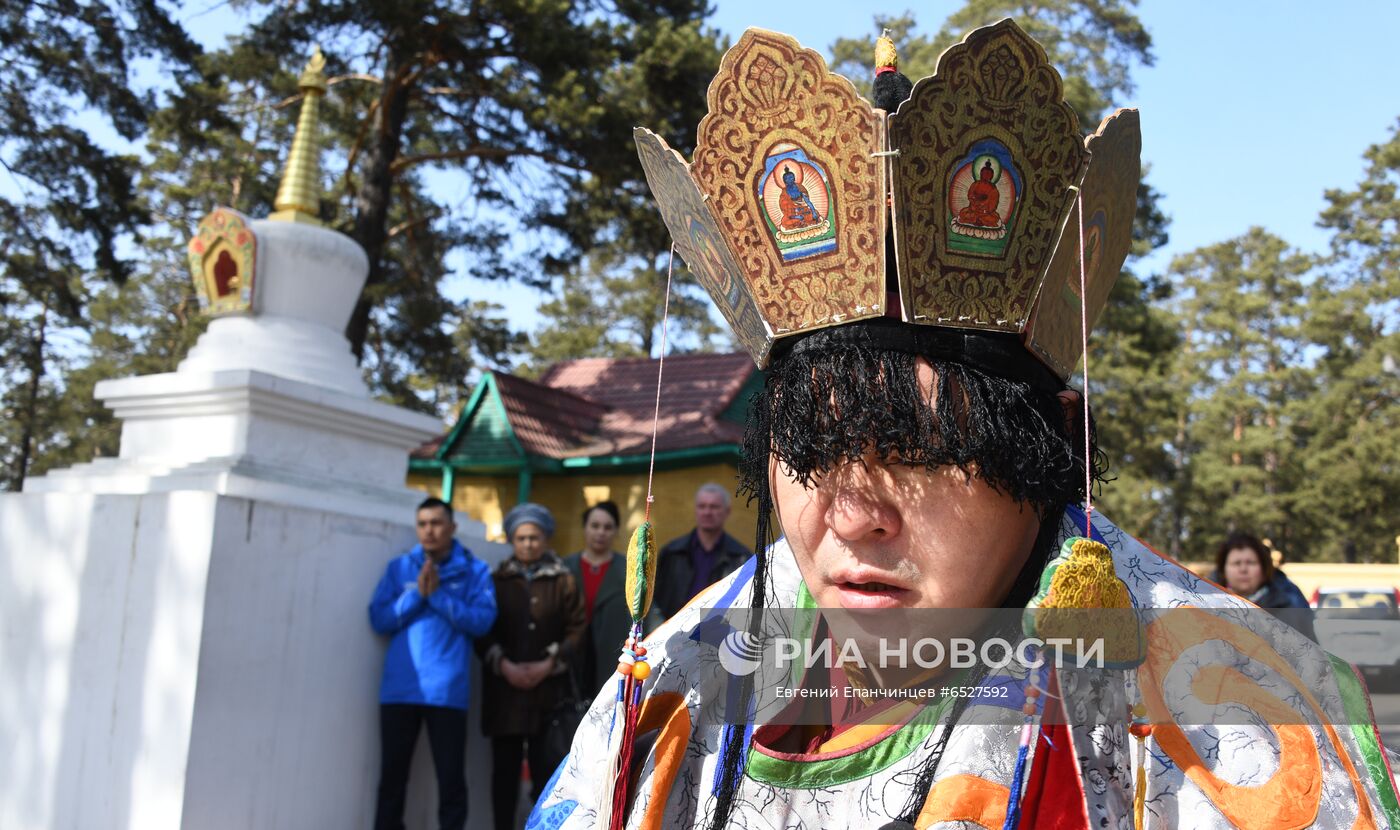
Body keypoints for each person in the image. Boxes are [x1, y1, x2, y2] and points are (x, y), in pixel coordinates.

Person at [531, 23, 1397, 829]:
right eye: (809, 448)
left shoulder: (1250, 724)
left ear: (1054, 448)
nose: (850, 516)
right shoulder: (679, 680)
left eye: (918, 450)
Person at [368, 497, 496, 830]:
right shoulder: (400, 568)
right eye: (423, 523)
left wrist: (439, 597)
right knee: (391, 781)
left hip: (446, 691)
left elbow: (482, 622)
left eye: (437, 523)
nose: (429, 530)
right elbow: (379, 618)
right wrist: (416, 595)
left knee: (451, 782)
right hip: (399, 690)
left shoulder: (474, 570)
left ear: (452, 527)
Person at [476, 502, 585, 830]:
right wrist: (504, 665)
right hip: (504, 696)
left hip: (548, 696)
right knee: (504, 777)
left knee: (546, 774)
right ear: (511, 539)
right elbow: (482, 631)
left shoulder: (564, 581)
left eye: (534, 537)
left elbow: (577, 628)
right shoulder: (495, 580)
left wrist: (549, 664)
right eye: (521, 537)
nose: (528, 544)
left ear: (546, 539)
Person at [561, 501, 644, 696]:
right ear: (585, 528)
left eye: (608, 527)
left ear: (616, 531)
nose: (601, 532)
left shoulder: (629, 570)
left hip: (611, 658)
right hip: (569, 659)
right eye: (595, 526)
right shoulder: (564, 567)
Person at [653, 483, 751, 618]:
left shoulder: (742, 558)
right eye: (702, 506)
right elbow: (654, 600)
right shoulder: (671, 553)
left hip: (716, 633)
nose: (707, 512)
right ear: (695, 510)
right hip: (674, 631)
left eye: (714, 507)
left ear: (727, 511)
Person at [1210, 531, 1317, 641]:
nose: (1243, 569)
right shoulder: (1204, 602)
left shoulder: (1291, 601)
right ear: (1223, 570)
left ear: (1264, 568)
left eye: (1251, 563)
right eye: (1236, 563)